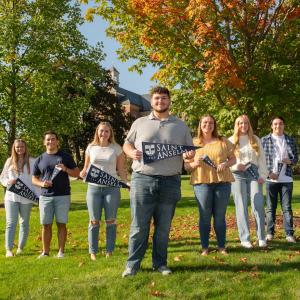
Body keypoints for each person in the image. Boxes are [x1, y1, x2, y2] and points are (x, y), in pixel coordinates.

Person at [122, 86, 194, 277]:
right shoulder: (139, 123)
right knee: (139, 226)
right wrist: (130, 152)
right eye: (156, 98)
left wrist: (189, 154)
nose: (160, 101)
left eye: (163, 98)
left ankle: (160, 264)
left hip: (170, 181)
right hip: (142, 180)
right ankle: (132, 265)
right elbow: (126, 144)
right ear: (151, 101)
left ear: (169, 101)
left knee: (163, 228)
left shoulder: (181, 125)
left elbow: (189, 152)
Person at [184, 114, 236, 256]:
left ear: (214, 125)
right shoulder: (192, 142)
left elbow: (234, 159)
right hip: (202, 183)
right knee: (205, 216)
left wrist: (225, 163)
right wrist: (194, 163)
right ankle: (205, 247)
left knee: (220, 216)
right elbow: (187, 166)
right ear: (200, 124)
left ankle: (221, 246)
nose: (208, 125)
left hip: (222, 183)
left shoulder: (223, 140)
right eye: (205, 122)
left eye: (211, 123)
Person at [80, 122, 129, 261]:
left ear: (110, 133)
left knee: (110, 220)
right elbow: (86, 167)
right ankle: (93, 251)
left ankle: (109, 250)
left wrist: (125, 182)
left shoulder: (116, 148)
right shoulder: (91, 147)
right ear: (97, 132)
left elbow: (121, 169)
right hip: (93, 188)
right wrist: (83, 172)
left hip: (111, 189)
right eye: (101, 131)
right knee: (94, 221)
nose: (104, 133)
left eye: (107, 131)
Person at [32, 131, 80, 258]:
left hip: (63, 196)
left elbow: (76, 173)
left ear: (57, 141)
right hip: (45, 196)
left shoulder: (66, 157)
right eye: (48, 139)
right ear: (44, 142)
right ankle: (45, 252)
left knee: (61, 224)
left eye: (53, 139)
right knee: (46, 225)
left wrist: (66, 169)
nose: (50, 142)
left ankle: (61, 252)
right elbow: (34, 179)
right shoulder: (40, 159)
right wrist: (42, 184)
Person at [229, 115, 268, 248]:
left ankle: (261, 237)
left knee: (258, 203)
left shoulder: (255, 139)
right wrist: (235, 166)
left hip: (254, 174)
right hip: (238, 175)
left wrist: (263, 174)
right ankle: (245, 238)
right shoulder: (231, 141)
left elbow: (262, 159)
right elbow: (226, 162)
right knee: (241, 205)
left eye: (245, 123)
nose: (243, 126)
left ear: (249, 124)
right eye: (240, 123)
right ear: (237, 125)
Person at [262, 116, 298, 243]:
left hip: (286, 179)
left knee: (287, 208)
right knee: (270, 208)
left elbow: (296, 158)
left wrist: (291, 161)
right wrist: (269, 173)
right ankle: (269, 233)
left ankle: (289, 234)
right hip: (271, 179)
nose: (278, 126)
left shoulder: (290, 140)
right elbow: (261, 161)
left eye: (281, 123)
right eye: (275, 124)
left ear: (284, 125)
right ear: (271, 126)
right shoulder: (265, 140)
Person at [0, 139, 37, 257]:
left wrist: (37, 195)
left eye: (22, 147)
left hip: (26, 197)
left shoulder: (32, 161)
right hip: (11, 197)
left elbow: (36, 179)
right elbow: (2, 177)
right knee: (11, 222)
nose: (20, 149)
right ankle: (9, 250)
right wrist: (7, 182)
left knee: (24, 222)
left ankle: (20, 247)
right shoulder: (9, 161)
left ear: (25, 148)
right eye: (17, 147)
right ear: (14, 149)